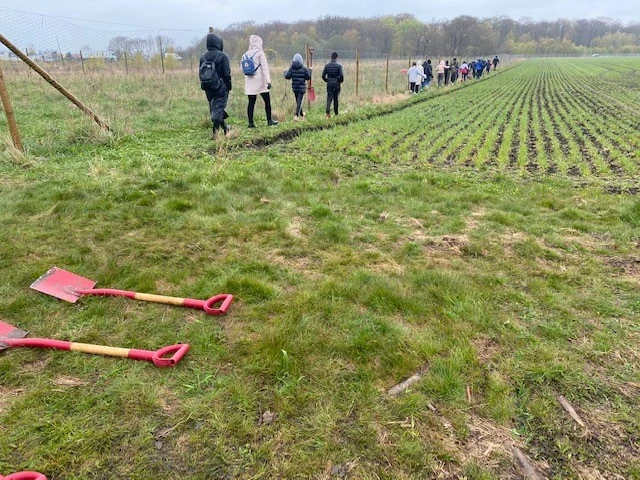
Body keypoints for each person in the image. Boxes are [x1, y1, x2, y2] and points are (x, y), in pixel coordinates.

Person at [199, 31, 232, 135]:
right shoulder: (223, 56)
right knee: (218, 109)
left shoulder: (203, 57)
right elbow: (227, 73)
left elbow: (200, 73)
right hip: (221, 87)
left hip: (208, 87)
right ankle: (215, 133)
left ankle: (226, 129)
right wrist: (228, 85)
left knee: (215, 108)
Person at [243, 35, 277, 127]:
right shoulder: (260, 53)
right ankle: (269, 120)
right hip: (260, 81)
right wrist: (268, 81)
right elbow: (265, 68)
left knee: (251, 102)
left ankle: (250, 123)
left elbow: (243, 69)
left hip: (250, 81)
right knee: (267, 101)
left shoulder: (245, 54)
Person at [284, 53, 311, 121]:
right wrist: (310, 71)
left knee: (298, 101)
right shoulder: (304, 68)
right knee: (299, 101)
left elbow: (287, 77)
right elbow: (308, 77)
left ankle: (301, 115)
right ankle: (296, 115)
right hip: (301, 88)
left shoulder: (291, 68)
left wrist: (284, 72)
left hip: (295, 88)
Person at [322, 52, 344, 118]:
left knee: (329, 98)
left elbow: (323, 76)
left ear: (331, 57)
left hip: (329, 84)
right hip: (336, 84)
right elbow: (341, 76)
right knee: (335, 98)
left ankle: (327, 113)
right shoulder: (339, 66)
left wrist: (327, 80)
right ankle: (336, 113)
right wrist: (339, 81)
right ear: (336, 57)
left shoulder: (327, 66)